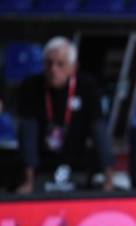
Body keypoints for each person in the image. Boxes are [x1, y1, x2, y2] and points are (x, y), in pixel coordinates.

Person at [16, 36, 113, 193]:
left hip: (78, 168)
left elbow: (99, 131)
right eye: (49, 63)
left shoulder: (87, 87)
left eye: (60, 64)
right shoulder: (31, 87)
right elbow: (28, 136)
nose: (53, 69)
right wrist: (29, 180)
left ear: (73, 67)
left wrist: (108, 178)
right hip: (42, 169)